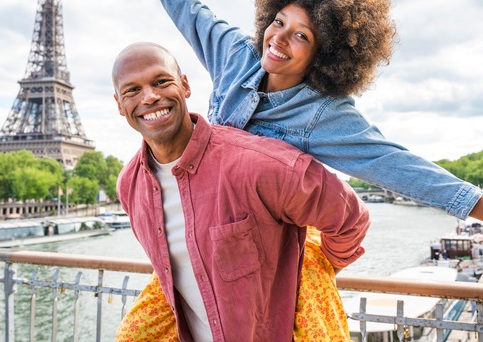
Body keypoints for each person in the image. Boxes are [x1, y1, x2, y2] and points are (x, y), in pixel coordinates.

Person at [104, 0, 483, 339]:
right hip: (217, 234)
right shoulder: (236, 54)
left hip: (278, 249)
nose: (280, 40)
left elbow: (422, 178)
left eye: (302, 36)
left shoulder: (326, 115)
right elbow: (189, 8)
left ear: (326, 53)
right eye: (278, 22)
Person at [112, 42, 370, 341]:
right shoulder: (130, 185)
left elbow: (350, 218)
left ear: (184, 86)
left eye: (161, 81)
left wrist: (313, 271)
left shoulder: (260, 164)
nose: (150, 97)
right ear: (119, 104)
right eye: (132, 90)